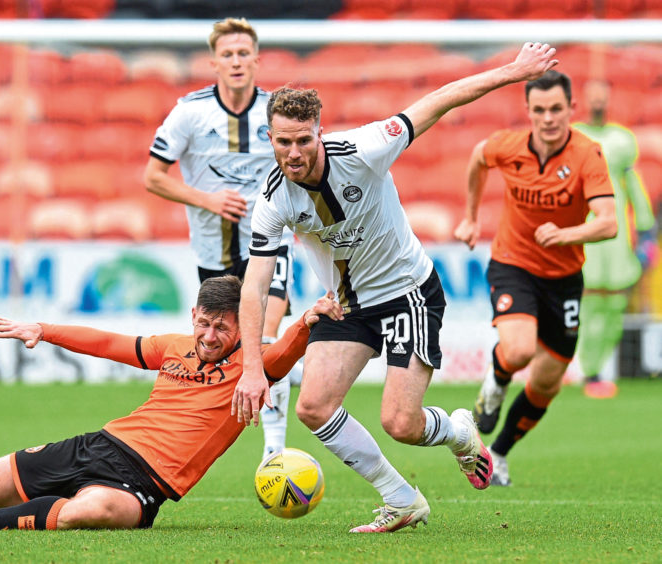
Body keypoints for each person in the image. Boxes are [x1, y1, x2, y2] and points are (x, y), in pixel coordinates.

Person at [232, 42, 561, 534]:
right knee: (313, 406)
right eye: (283, 142)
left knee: (401, 424)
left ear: (319, 131)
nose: (293, 153)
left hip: (407, 292)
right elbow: (254, 287)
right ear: (270, 137)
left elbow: (443, 97)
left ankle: (457, 431)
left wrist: (514, 72)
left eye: (303, 140)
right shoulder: (273, 198)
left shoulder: (366, 148)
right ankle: (401, 498)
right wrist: (252, 370)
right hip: (348, 306)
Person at [0, 276, 341, 531]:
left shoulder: (255, 365)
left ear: (242, 326)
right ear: (193, 314)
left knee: (89, 512)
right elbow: (106, 343)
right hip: (100, 444)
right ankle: (7, 504)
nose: (210, 337)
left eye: (222, 328)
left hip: (143, 484)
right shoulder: (172, 346)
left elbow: (287, 349)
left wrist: (306, 321)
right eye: (204, 324)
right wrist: (43, 329)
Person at [454, 70, 618, 487]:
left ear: (571, 109)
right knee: (520, 349)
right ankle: (496, 380)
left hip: (564, 277)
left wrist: (567, 235)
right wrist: (471, 218)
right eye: (540, 110)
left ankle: (501, 453)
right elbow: (477, 157)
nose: (548, 119)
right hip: (514, 264)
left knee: (548, 382)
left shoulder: (588, 155)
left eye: (556, 109)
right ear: (527, 112)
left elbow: (608, 223)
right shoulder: (508, 146)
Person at [144, 17, 297, 459]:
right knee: (215, 352)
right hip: (213, 251)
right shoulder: (190, 112)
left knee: (265, 340)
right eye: (227, 54)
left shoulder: (274, 112)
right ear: (213, 62)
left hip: (268, 245)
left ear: (257, 60)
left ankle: (274, 451)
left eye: (243, 53)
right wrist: (206, 200)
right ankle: (189, 438)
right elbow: (152, 176)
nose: (236, 61)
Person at [573, 79, 657, 399]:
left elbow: (632, 184)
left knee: (616, 302)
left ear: (608, 100)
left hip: (618, 234)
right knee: (589, 302)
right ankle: (588, 369)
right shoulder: (573, 137)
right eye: (591, 96)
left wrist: (647, 229)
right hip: (585, 230)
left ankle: (597, 369)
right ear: (583, 99)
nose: (596, 102)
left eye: (601, 97)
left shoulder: (623, 139)